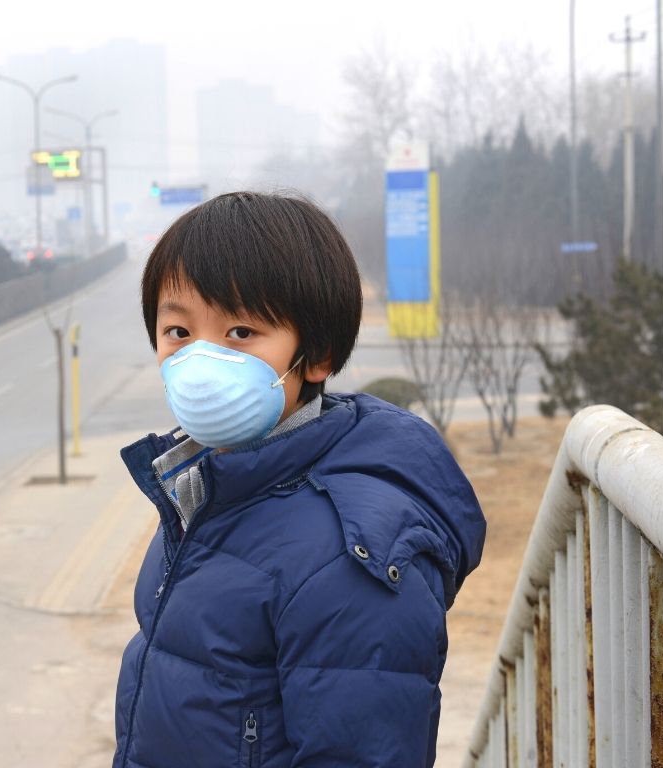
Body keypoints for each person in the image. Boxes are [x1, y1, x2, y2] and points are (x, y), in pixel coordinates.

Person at [113, 191, 486, 768]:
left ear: (316, 356)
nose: (199, 363)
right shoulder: (207, 491)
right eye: (179, 333)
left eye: (240, 332)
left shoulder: (349, 555)